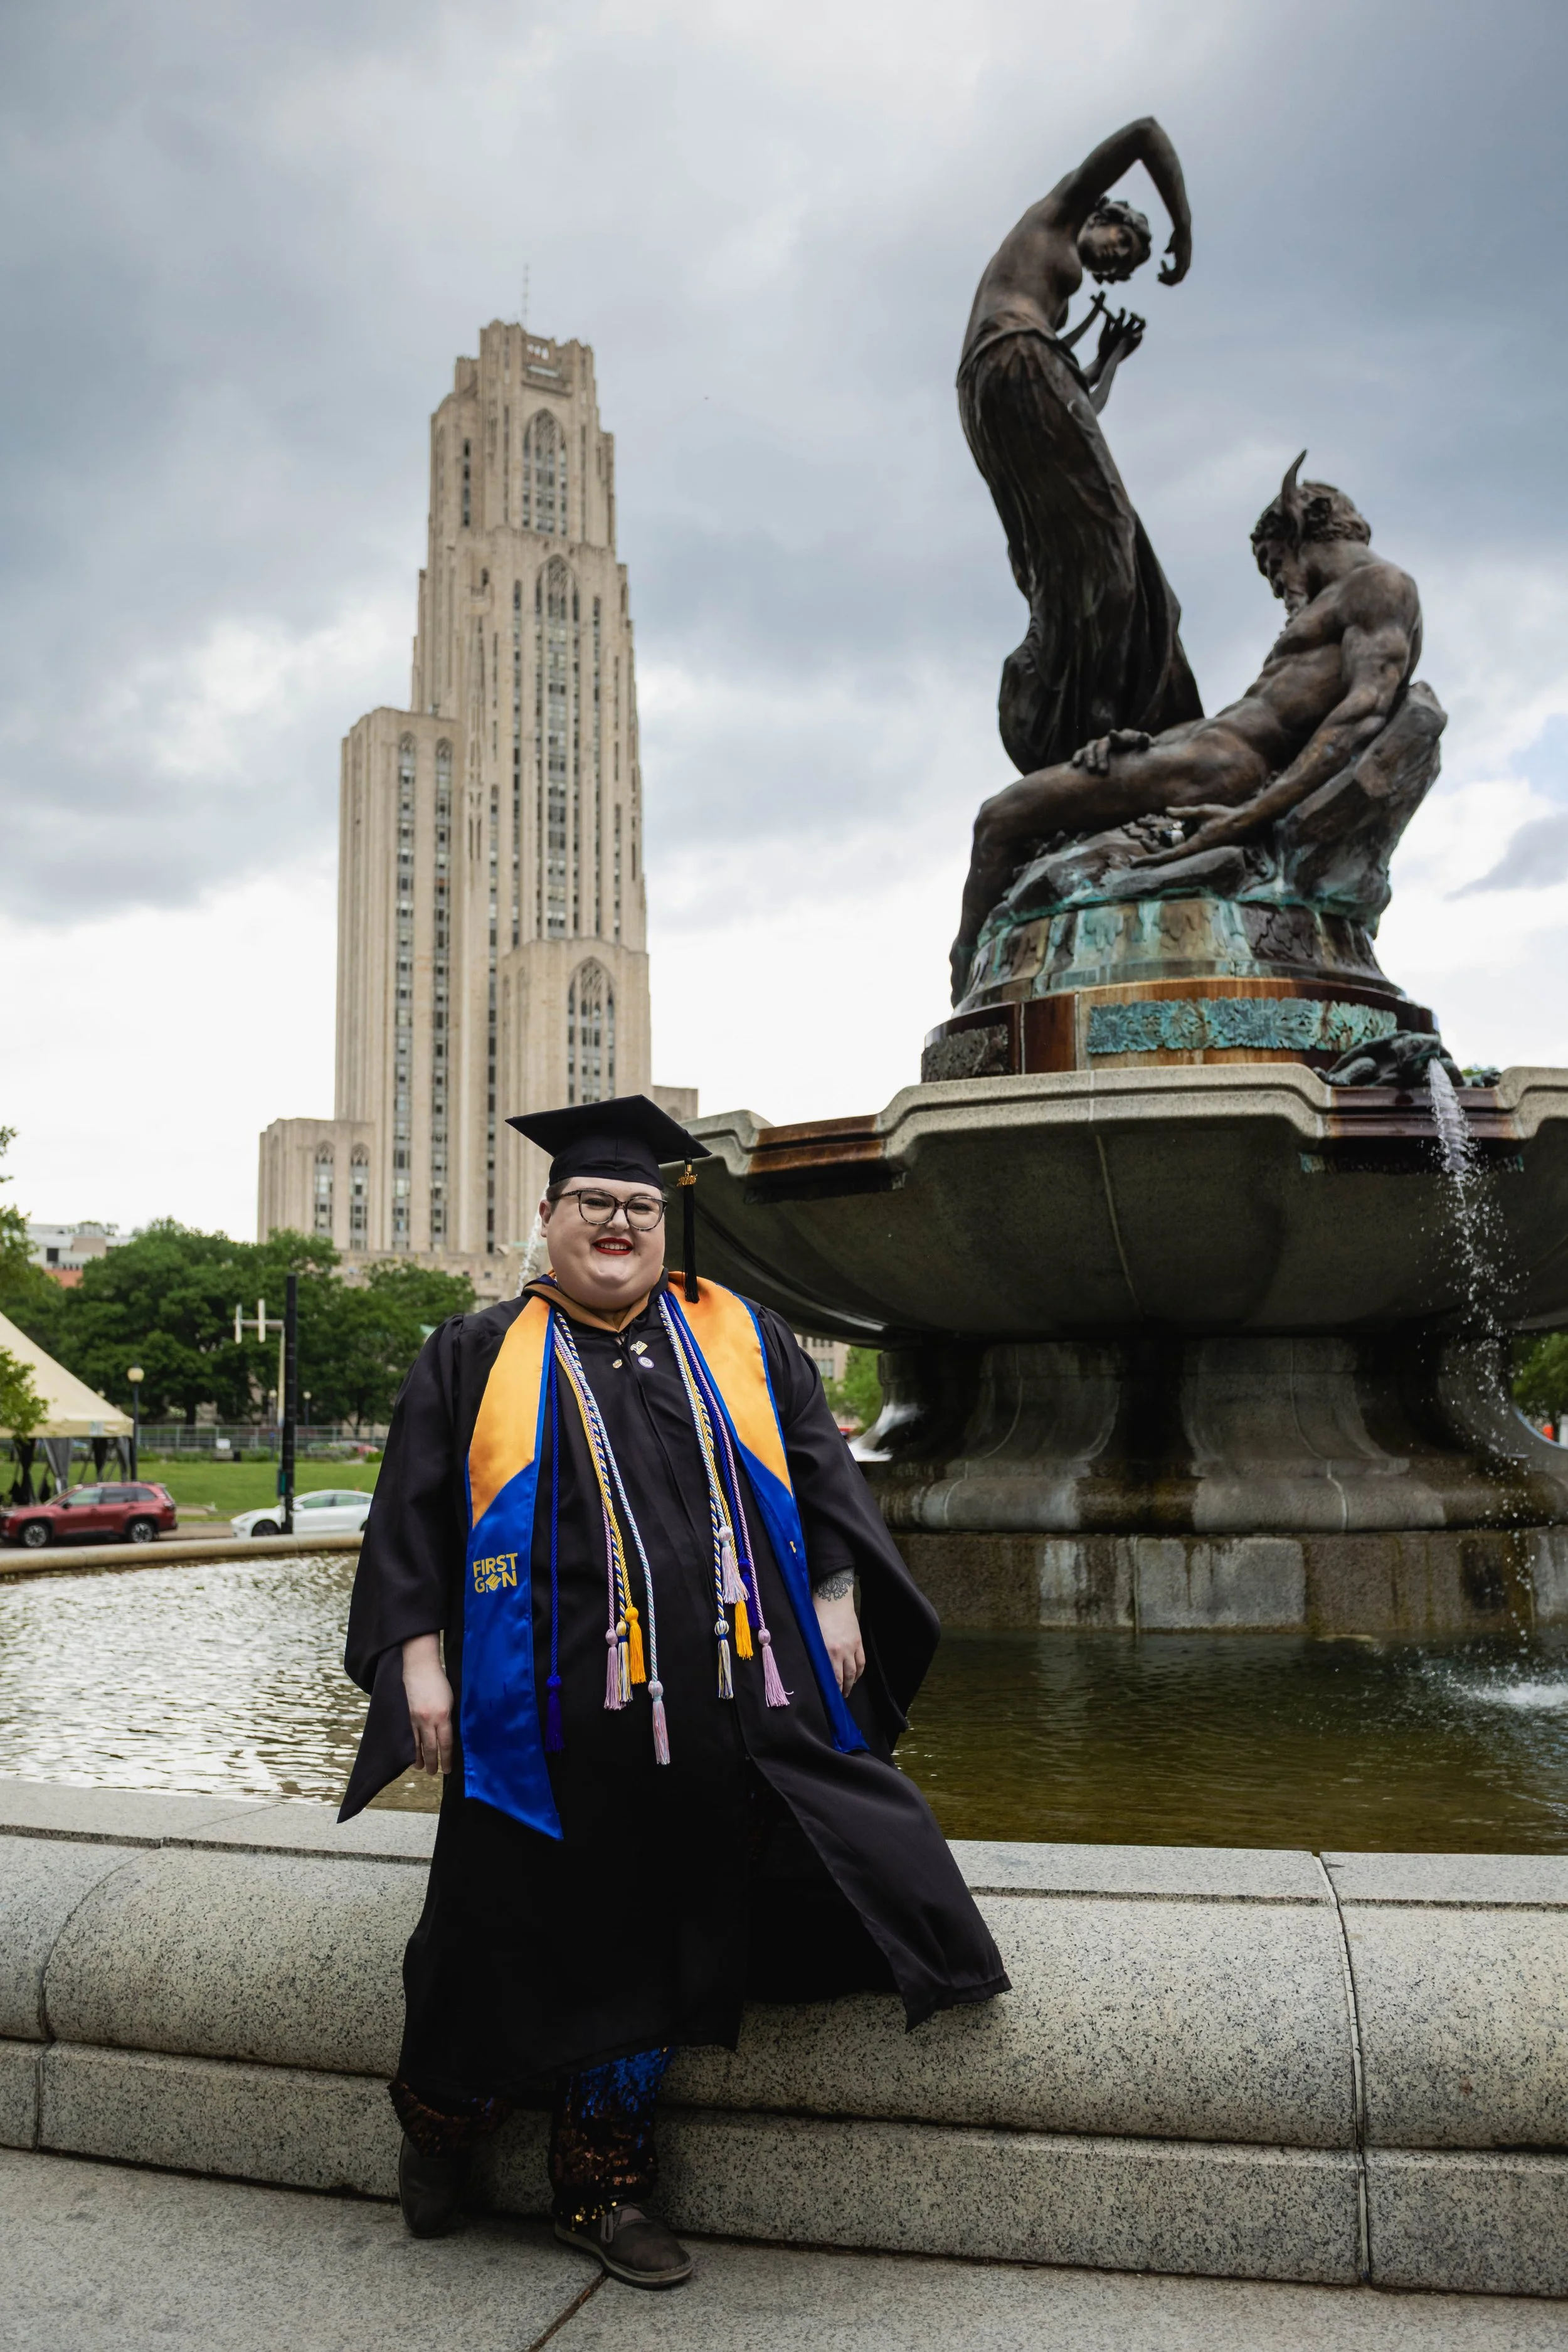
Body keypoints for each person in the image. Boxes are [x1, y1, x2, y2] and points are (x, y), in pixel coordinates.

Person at [339, 1095, 1008, 2290]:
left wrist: (844, 1589)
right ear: (546, 1218)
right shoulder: (476, 1354)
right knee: (485, 1947)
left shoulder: (739, 1340)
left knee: (659, 1949)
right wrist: (418, 1661)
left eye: (641, 1208)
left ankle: (603, 2188)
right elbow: (408, 1526)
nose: (619, 1223)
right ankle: (441, 2124)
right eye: (594, 1203)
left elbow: (819, 1476)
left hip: (716, 1714)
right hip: (536, 1723)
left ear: (666, 1223)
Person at [950, 457, 1422, 993]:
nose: (1276, 585)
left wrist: (1247, 817)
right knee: (1013, 826)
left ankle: (965, 978)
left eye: (1273, 565)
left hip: (1221, 772)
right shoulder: (1339, 603)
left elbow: (1362, 716)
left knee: (999, 820)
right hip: (1202, 754)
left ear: (1296, 528)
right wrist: (1148, 743)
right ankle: (981, 984)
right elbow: (1248, 719)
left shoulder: (1381, 586)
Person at [959, 117, 1203, 788]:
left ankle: (1076, 714)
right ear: (1098, 214)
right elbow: (1146, 134)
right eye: (1121, 240)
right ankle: (1097, 729)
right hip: (1014, 363)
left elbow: (1077, 414)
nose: (1117, 258)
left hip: (1001, 385)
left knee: (1074, 565)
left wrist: (1106, 360)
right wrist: (1182, 226)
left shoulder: (1051, 316)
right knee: (1113, 536)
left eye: (1125, 262)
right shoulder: (1055, 217)